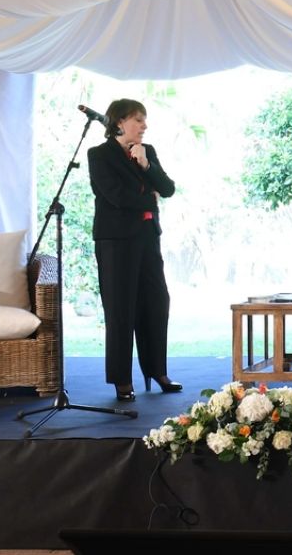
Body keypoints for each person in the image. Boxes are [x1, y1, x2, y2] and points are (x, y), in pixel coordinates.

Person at [87, 99, 181, 401]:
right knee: (120, 308)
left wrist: (145, 166)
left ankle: (156, 370)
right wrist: (148, 198)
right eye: (138, 120)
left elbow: (167, 189)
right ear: (119, 122)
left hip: (147, 237)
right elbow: (114, 196)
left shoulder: (147, 152)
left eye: (144, 120)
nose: (144, 125)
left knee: (157, 302)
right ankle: (121, 379)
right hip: (114, 241)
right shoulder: (99, 155)